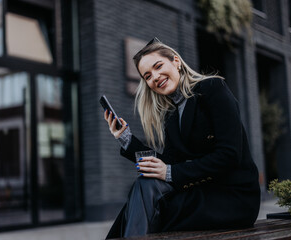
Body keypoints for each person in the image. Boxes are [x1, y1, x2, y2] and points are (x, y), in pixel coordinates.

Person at [103, 38, 260, 239]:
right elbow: (168, 164)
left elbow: (229, 155)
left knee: (147, 204)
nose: (155, 77)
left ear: (176, 61)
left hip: (233, 198)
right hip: (201, 195)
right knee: (146, 188)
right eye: (147, 76)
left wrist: (169, 171)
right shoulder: (171, 116)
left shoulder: (212, 88)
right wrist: (126, 139)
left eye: (158, 66)